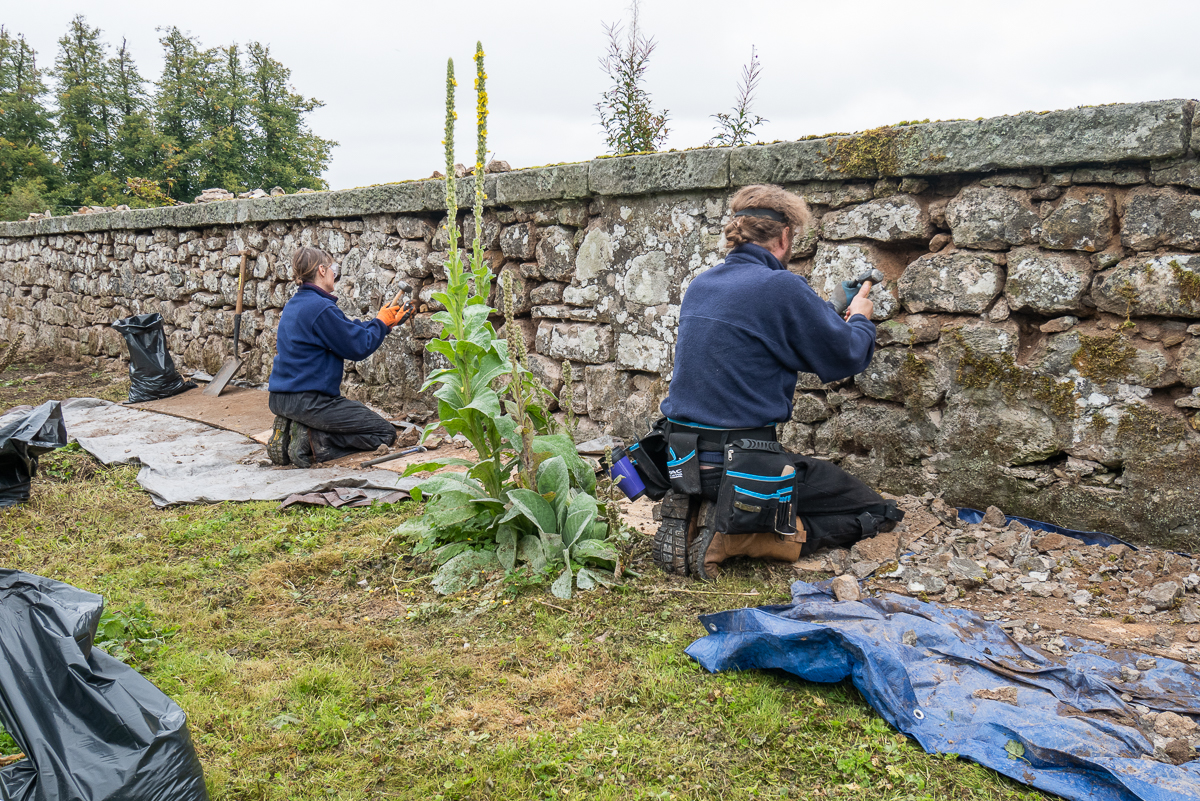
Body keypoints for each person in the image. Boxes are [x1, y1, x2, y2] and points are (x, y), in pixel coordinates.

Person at [651, 184, 896, 579]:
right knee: (875, 510)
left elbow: (766, 335)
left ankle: (697, 510)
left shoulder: (703, 285)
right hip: (742, 462)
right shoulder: (781, 287)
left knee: (763, 479)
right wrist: (862, 317)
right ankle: (735, 539)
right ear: (785, 236)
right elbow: (843, 357)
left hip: (681, 459)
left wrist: (830, 309)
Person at [266, 246, 409, 467]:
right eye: (332, 268)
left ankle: (298, 429)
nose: (335, 273)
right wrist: (380, 323)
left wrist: (383, 323)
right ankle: (313, 440)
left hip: (281, 398)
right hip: (309, 401)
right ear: (321, 270)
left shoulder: (297, 304)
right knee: (383, 432)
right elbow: (357, 346)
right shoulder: (320, 308)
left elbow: (347, 332)